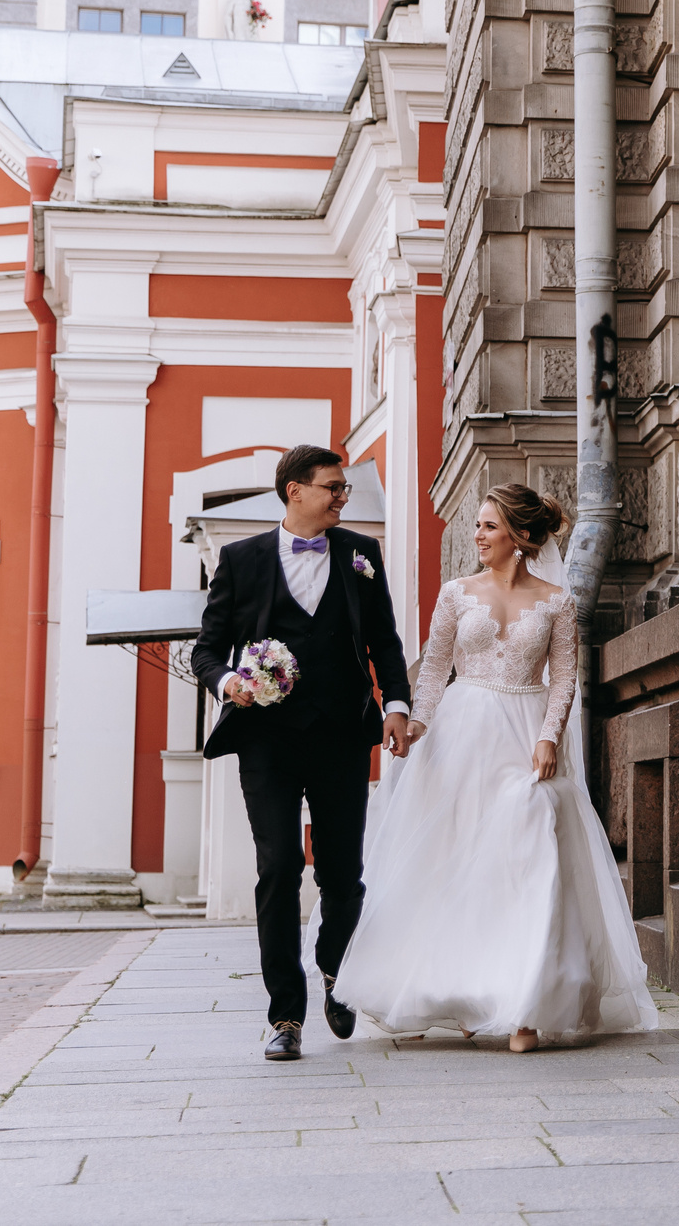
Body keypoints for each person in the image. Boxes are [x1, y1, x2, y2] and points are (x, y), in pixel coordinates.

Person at [334, 484, 656, 1051]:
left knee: (529, 845)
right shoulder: (457, 594)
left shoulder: (558, 601)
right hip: (462, 734)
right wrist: (417, 725)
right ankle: (470, 992)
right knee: (463, 863)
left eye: (488, 526)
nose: (478, 536)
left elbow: (563, 678)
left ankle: (527, 1006)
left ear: (520, 536)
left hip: (526, 732)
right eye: (478, 526)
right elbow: (434, 669)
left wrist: (549, 735)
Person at [189, 444, 414, 1062]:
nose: (343, 496)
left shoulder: (361, 556)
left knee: (342, 873)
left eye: (344, 488)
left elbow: (384, 642)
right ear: (295, 491)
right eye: (333, 487)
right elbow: (204, 649)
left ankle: (337, 971)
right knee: (280, 866)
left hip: (342, 734)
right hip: (266, 740)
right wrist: (228, 681)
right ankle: (284, 1015)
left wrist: (397, 706)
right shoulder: (240, 560)